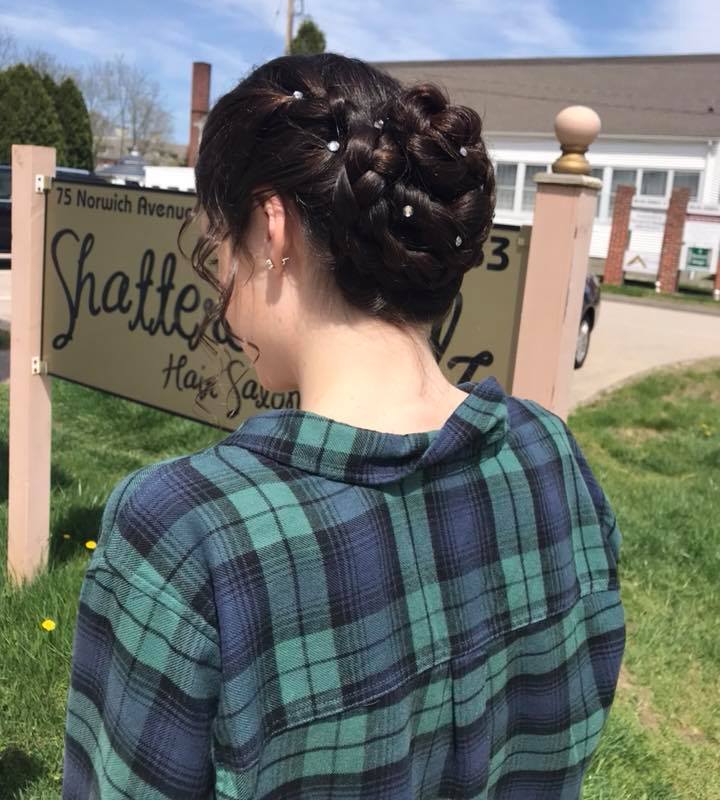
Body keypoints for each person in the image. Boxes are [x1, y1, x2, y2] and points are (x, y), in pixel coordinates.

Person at [63, 53, 625, 799]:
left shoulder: (186, 538)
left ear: (272, 230)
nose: (220, 281)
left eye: (216, 246)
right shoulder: (549, 456)